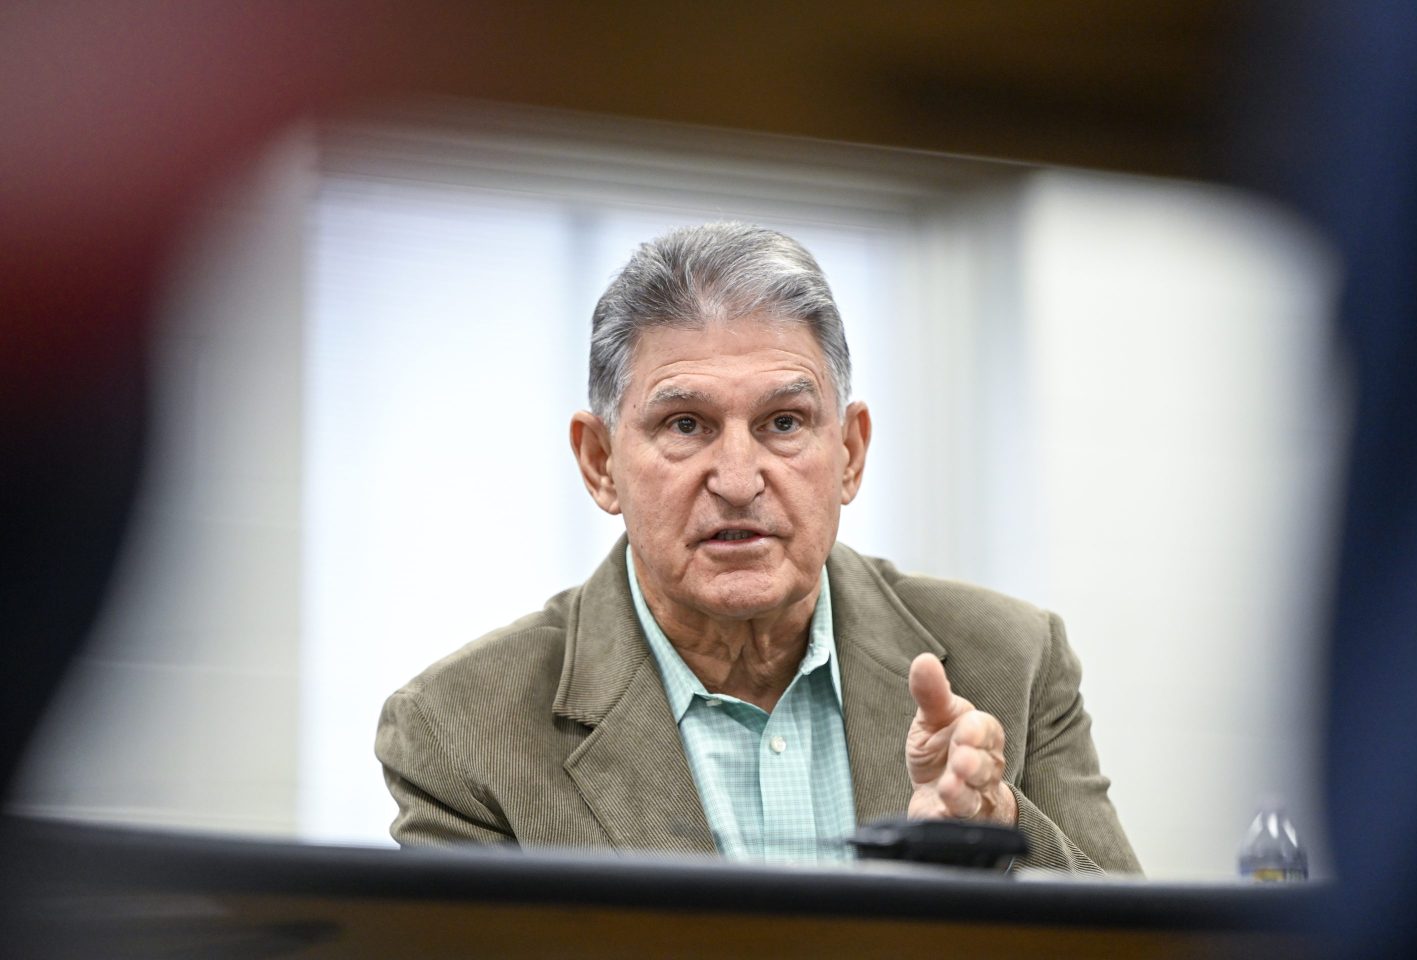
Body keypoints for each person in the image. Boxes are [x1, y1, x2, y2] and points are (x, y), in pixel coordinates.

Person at [376, 222, 1139, 874]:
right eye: (685, 425)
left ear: (850, 452)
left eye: (783, 422)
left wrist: (998, 831)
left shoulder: (1014, 659)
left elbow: (1135, 952)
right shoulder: (461, 729)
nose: (739, 480)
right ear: (600, 462)